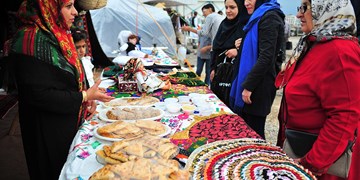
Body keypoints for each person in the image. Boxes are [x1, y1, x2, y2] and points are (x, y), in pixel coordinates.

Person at [7, 0, 114, 179]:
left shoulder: (58, 33)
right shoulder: (29, 39)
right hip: (47, 127)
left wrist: (87, 97)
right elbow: (38, 95)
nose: (75, 12)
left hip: (66, 118)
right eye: (68, 6)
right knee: (53, 170)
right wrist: (84, 95)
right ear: (48, 7)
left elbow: (70, 74)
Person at [275, 0, 359, 179]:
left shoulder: (340, 51)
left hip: (323, 166)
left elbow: (345, 118)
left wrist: (310, 163)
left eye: (305, 7)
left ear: (327, 8)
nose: (299, 14)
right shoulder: (314, 43)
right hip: (300, 149)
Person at [229, 0, 285, 139]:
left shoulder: (270, 16)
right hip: (254, 83)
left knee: (254, 134)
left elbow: (266, 57)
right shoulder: (259, 16)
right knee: (246, 131)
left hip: (258, 87)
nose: (246, 2)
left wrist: (248, 86)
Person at [209, 0, 250, 107]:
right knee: (218, 103)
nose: (228, 11)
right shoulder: (224, 24)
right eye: (226, 7)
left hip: (236, 74)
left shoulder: (245, 26)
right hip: (220, 71)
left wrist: (238, 51)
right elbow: (216, 48)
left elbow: (252, 50)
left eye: (232, 7)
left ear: (240, 7)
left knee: (230, 104)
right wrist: (213, 68)